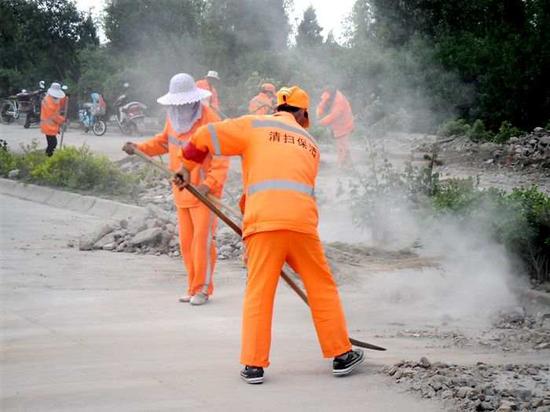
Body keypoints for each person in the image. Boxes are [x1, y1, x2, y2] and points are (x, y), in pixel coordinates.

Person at [173, 85, 364, 384]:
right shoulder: (310, 143)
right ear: (302, 114)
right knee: (321, 287)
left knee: (260, 292)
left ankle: (253, 365)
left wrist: (186, 166)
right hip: (302, 225)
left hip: (264, 225)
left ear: (278, 107)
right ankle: (341, 354)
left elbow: (204, 136)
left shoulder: (253, 125)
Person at [122, 73, 229, 306]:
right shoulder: (173, 119)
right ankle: (192, 287)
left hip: (205, 193)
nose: (180, 108)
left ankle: (202, 289)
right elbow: (163, 142)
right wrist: (139, 148)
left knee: (202, 242)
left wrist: (208, 185)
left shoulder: (210, 120)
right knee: (186, 242)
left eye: (184, 103)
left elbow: (221, 160)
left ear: (193, 100)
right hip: (181, 189)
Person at [316, 87, 354, 167]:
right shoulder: (328, 94)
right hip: (337, 124)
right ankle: (345, 162)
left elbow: (333, 116)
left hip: (345, 123)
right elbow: (322, 104)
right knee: (340, 144)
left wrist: (321, 122)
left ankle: (342, 165)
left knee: (342, 144)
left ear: (333, 95)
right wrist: (319, 114)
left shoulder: (339, 102)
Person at [40, 82, 66, 157]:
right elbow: (55, 117)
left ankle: (48, 156)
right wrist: (63, 120)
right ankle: (48, 156)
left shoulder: (48, 98)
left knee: (51, 143)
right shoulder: (50, 104)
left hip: (49, 125)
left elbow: (59, 102)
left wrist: (65, 98)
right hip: (48, 126)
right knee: (53, 144)